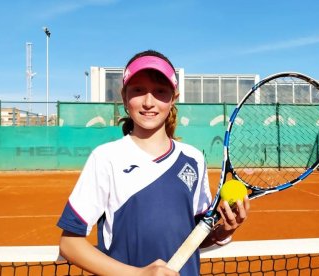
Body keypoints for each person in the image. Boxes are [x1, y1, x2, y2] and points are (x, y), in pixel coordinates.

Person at [57, 50, 250, 276]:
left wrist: (222, 232)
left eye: (160, 91)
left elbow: (194, 238)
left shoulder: (194, 159)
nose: (149, 102)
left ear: (173, 98)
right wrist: (138, 275)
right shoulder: (106, 158)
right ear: (124, 96)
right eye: (138, 90)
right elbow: (70, 244)